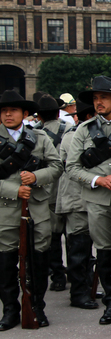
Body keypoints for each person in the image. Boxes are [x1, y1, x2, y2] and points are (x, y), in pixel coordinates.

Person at [66, 76, 111, 324]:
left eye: (103, 97)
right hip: (97, 200)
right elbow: (71, 168)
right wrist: (99, 180)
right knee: (105, 252)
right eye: (95, 98)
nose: (98, 102)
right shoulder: (84, 130)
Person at [0, 90, 63, 330]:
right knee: (6, 264)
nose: (8, 114)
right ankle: (9, 310)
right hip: (5, 211)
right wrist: (11, 189)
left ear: (25, 114)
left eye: (13, 110)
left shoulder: (40, 137)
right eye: (4, 111)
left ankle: (36, 306)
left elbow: (57, 166)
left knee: (38, 261)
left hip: (36, 209)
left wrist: (35, 176)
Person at [56, 100, 100, 310]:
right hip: (77, 200)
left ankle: (89, 288)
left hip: (89, 198)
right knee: (79, 249)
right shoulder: (75, 135)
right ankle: (79, 293)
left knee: (91, 249)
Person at [35, 94, 74, 293]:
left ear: (39, 116)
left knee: (52, 237)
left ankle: (57, 276)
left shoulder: (35, 133)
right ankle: (74, 275)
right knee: (72, 236)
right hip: (67, 189)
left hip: (47, 191)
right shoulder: (70, 130)